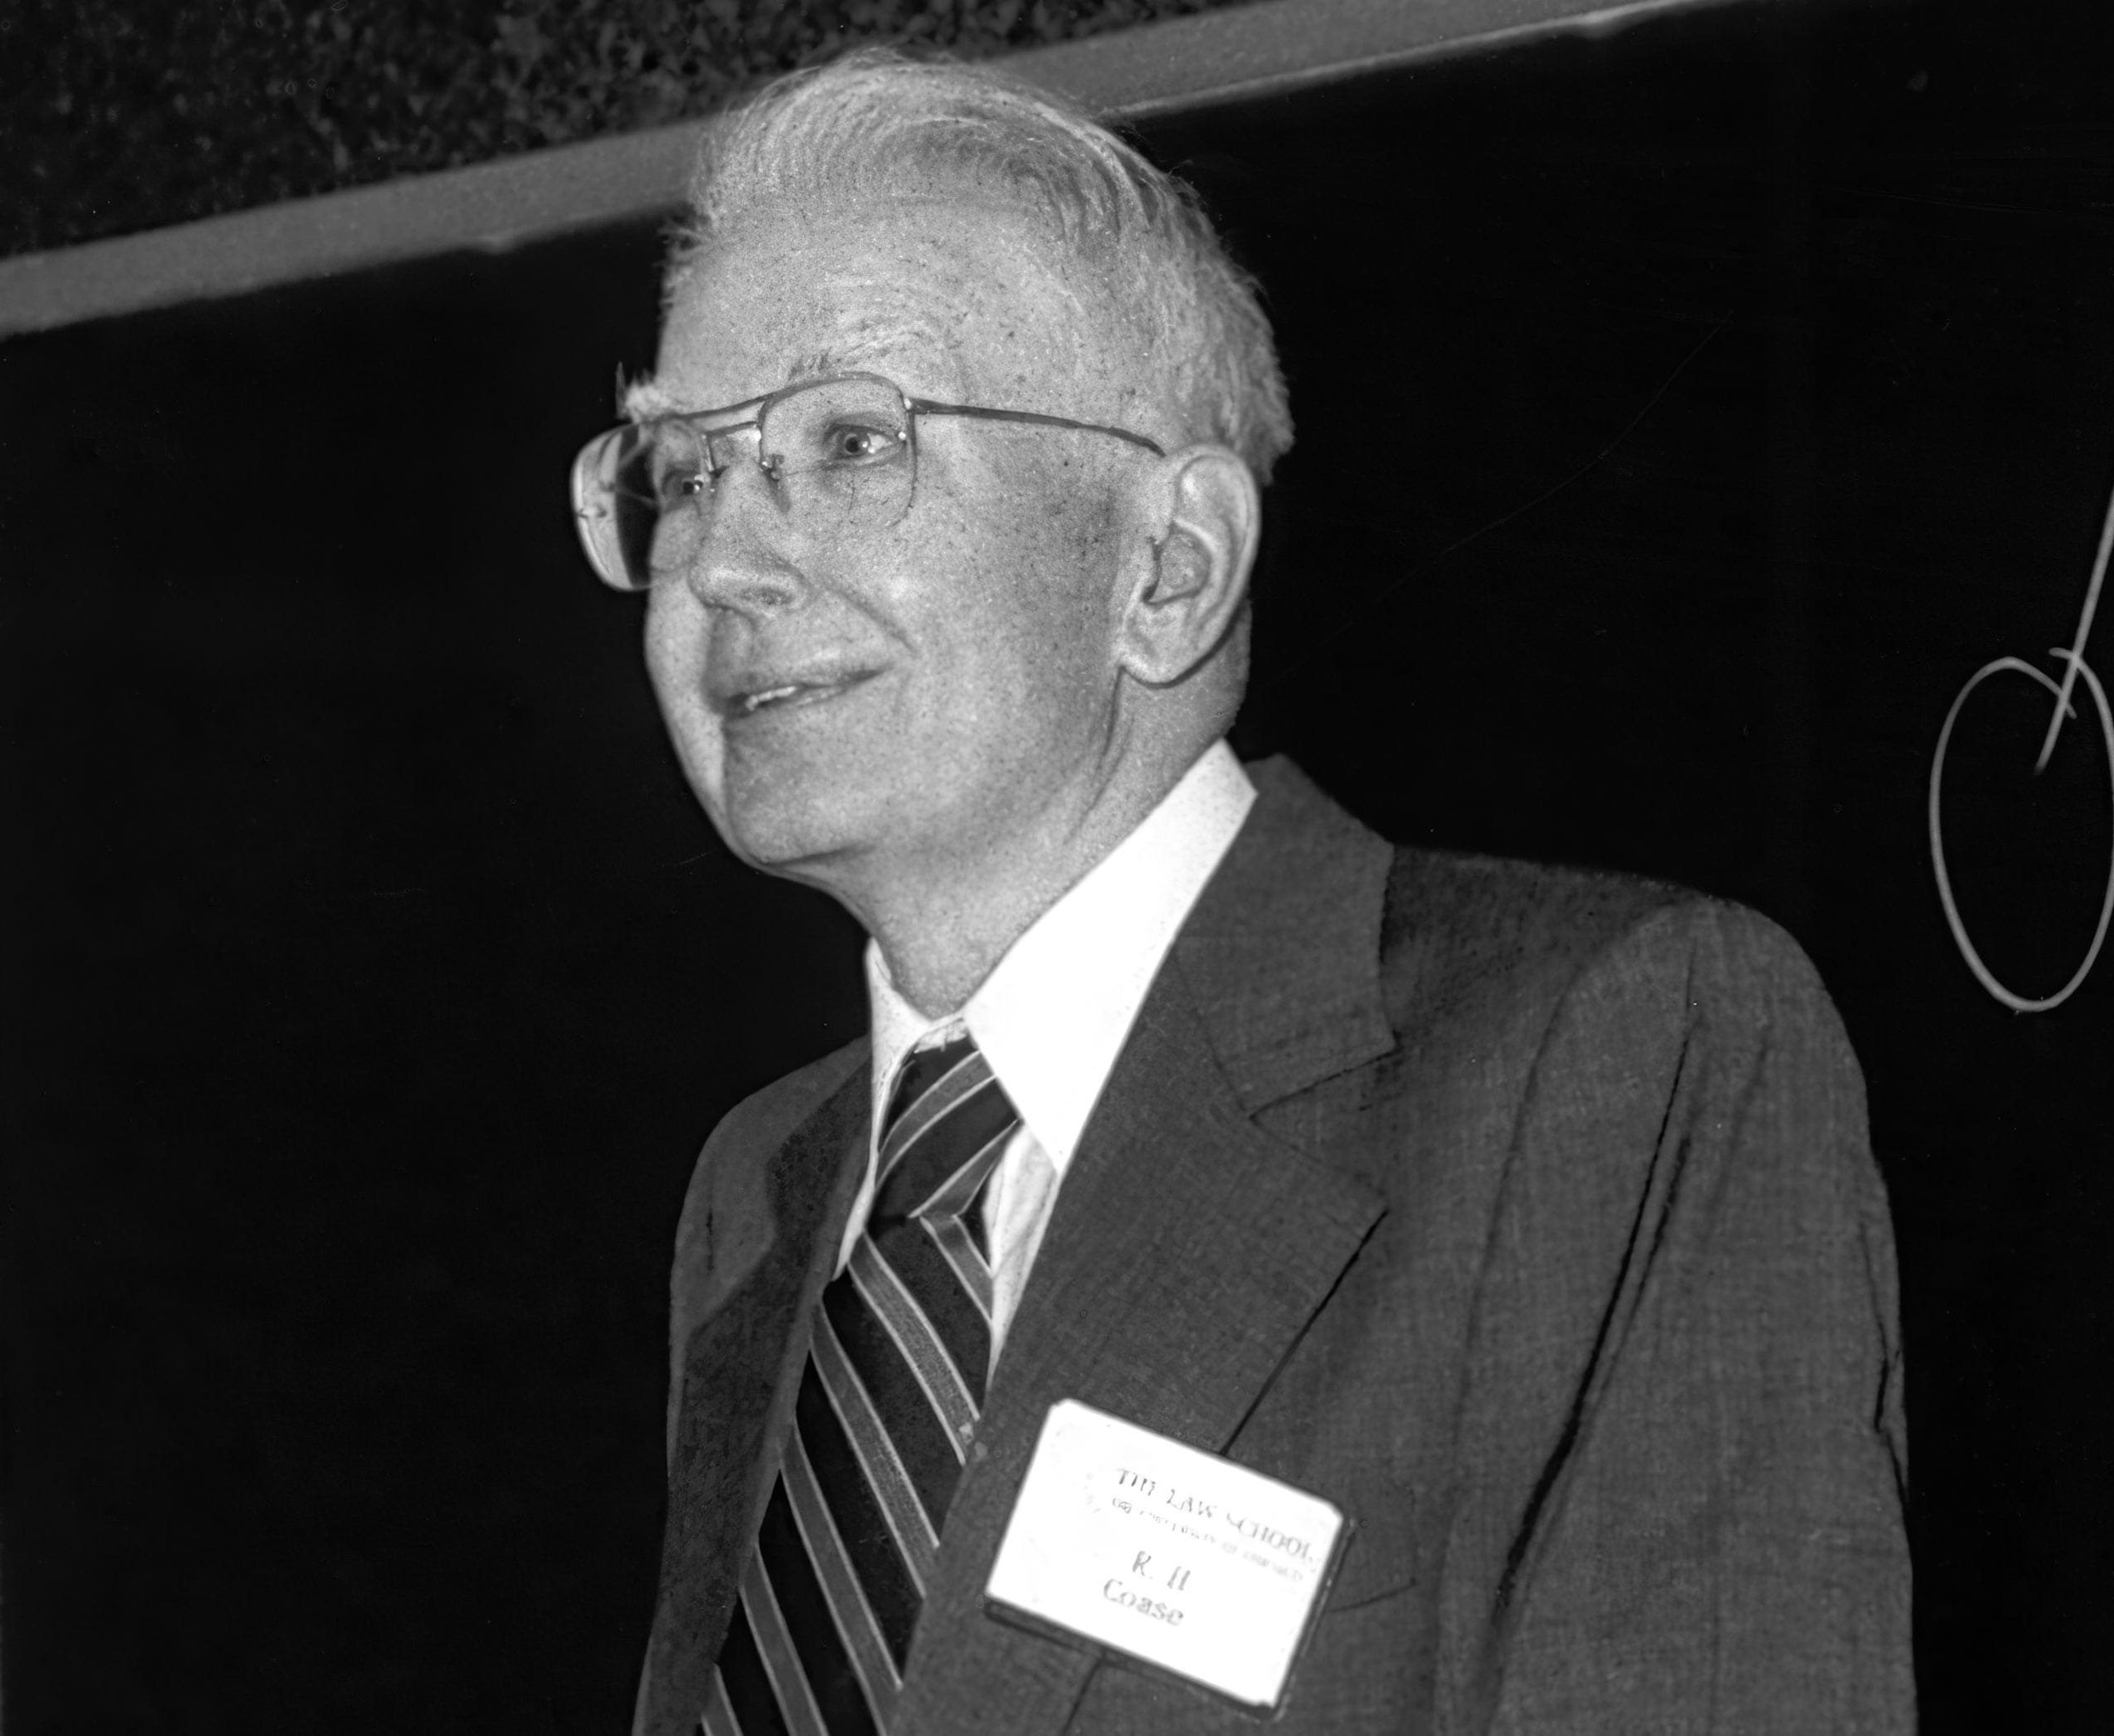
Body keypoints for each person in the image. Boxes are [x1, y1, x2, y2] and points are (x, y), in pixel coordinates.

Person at [567, 48, 1909, 1735]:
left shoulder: (1605, 1057)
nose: (724, 561)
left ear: (1168, 565)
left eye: (847, 442)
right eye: (682, 469)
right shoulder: (764, 1191)